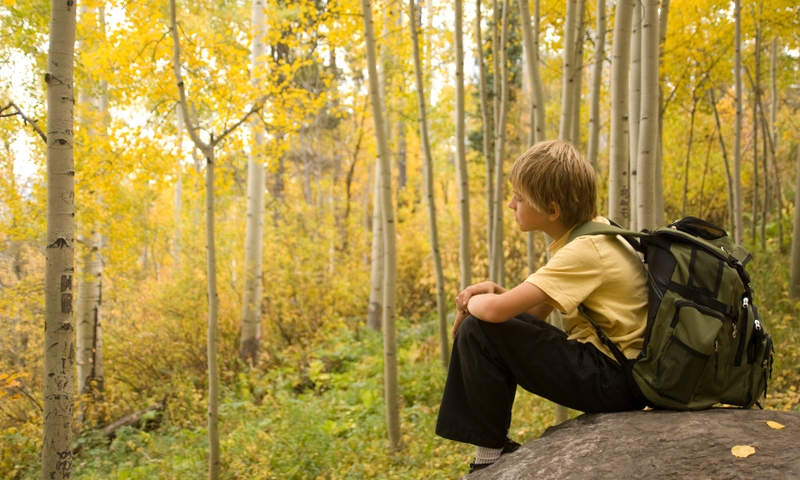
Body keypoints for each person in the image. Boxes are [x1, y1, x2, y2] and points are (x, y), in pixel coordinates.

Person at [435, 140, 648, 473]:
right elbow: (531, 315)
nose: (511, 204)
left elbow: (495, 313)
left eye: (519, 198)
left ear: (552, 210)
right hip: (619, 373)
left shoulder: (583, 252)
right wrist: (493, 292)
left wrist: (469, 302)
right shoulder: (596, 232)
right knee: (485, 326)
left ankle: (489, 458)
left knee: (478, 328)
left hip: (614, 381)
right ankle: (491, 449)